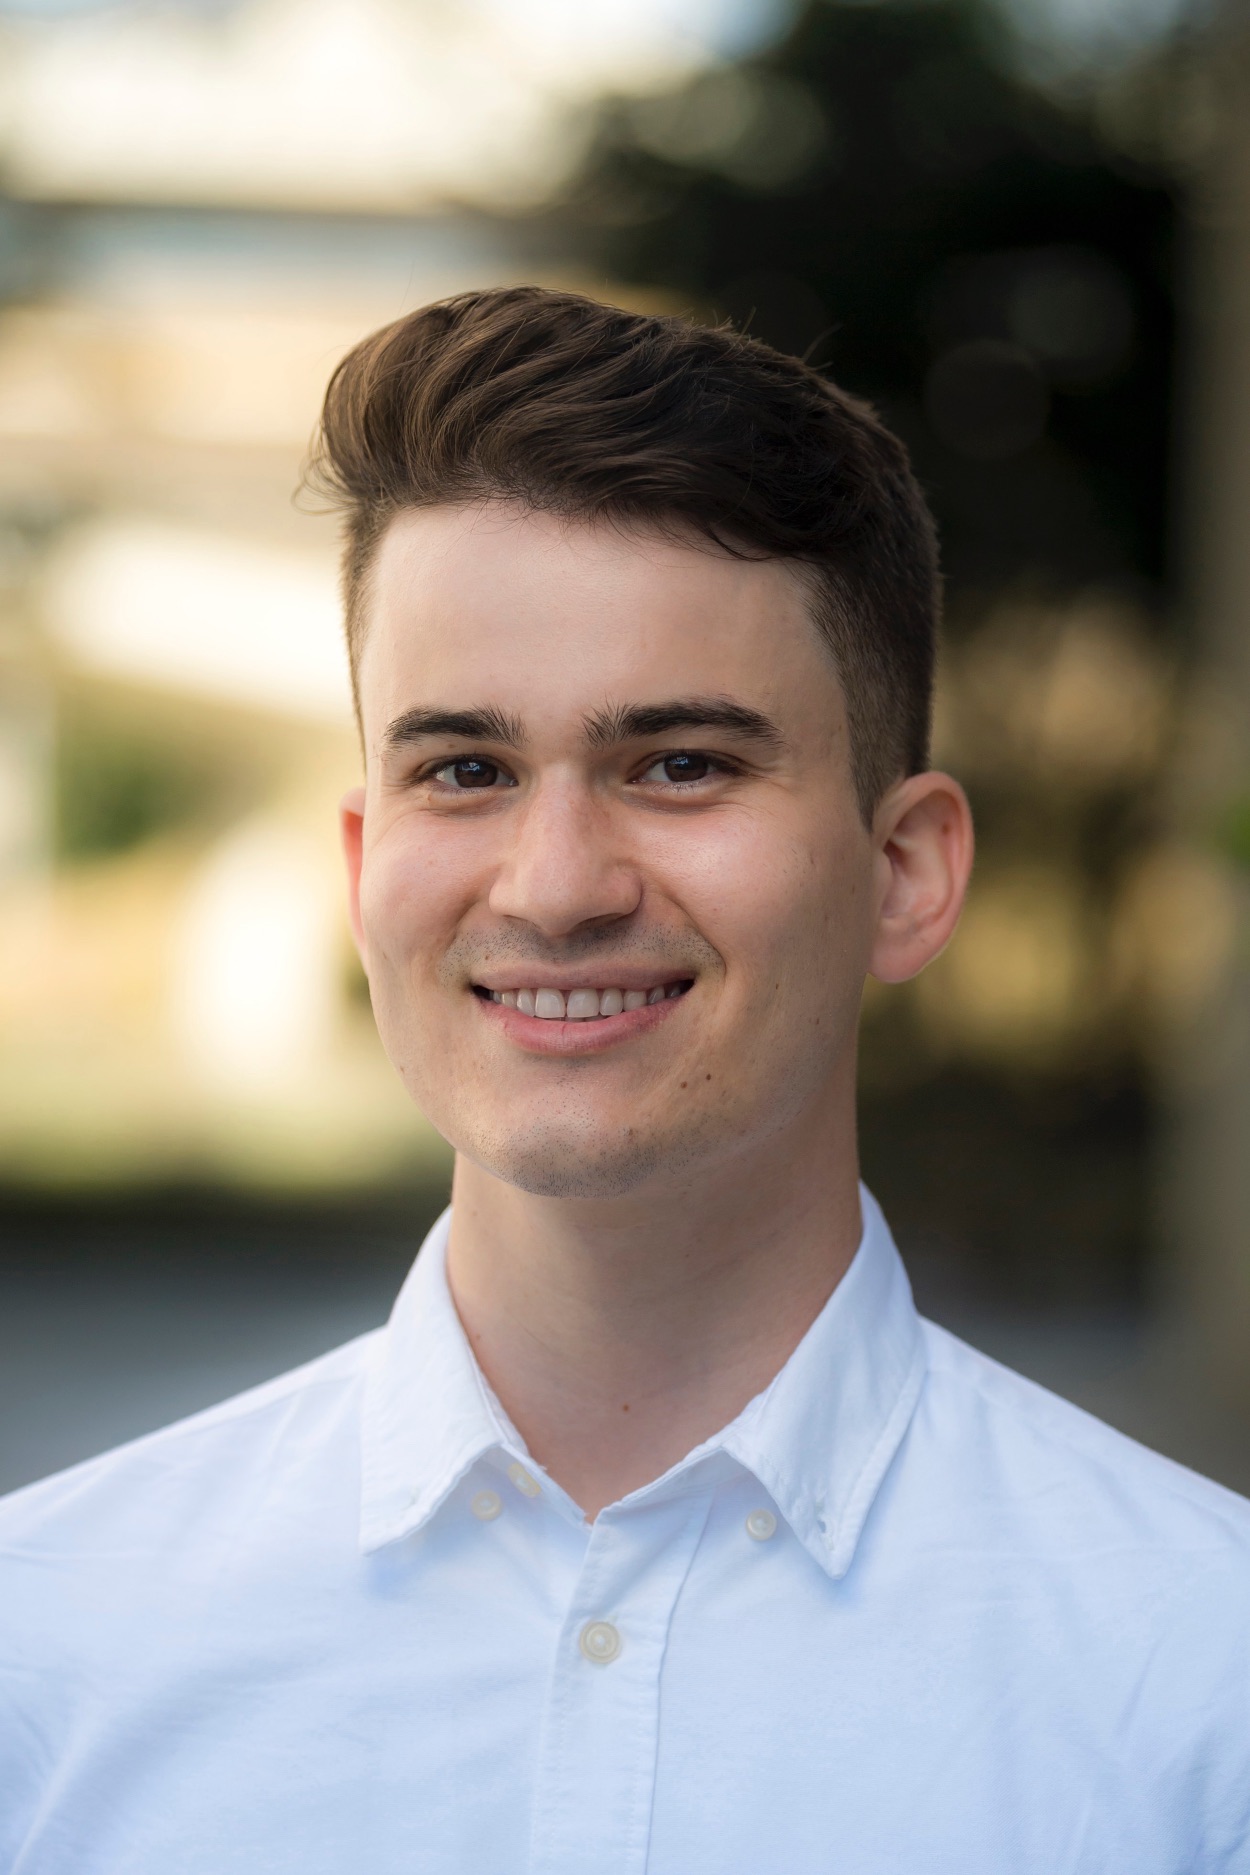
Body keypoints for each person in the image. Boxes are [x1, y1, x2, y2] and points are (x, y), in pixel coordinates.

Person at [1, 288, 1247, 1874]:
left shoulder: (1208, 1689)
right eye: (465, 769)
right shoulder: (42, 1653)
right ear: (367, 864)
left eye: (680, 765)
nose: (556, 884)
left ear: (905, 872)